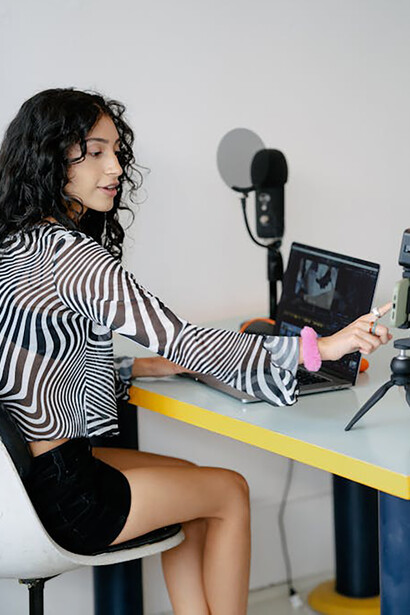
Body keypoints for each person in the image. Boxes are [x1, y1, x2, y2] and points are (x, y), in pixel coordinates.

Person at [0, 88, 392, 615]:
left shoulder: (17, 244)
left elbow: (36, 358)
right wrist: (320, 346)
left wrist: (142, 367)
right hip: (66, 496)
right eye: (94, 152)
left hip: (23, 481)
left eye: (116, 150)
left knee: (191, 491)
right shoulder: (76, 259)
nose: (115, 166)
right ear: (50, 157)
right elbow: (187, 340)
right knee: (228, 492)